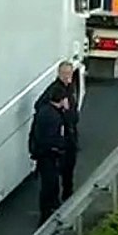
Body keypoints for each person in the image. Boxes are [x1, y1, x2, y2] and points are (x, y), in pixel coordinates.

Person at [37, 62, 79, 200]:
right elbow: (39, 106)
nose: (68, 77)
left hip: (69, 138)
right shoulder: (54, 90)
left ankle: (67, 194)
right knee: (53, 177)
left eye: (70, 74)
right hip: (59, 139)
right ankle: (55, 202)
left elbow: (74, 116)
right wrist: (60, 108)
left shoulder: (70, 89)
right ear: (59, 74)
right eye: (65, 74)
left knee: (69, 171)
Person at [30, 81, 70, 226]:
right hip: (50, 155)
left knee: (48, 184)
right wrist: (61, 148)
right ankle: (46, 214)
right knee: (50, 184)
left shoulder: (43, 111)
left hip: (41, 153)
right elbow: (55, 138)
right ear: (61, 100)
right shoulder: (55, 117)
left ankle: (48, 210)